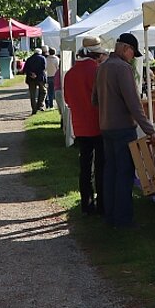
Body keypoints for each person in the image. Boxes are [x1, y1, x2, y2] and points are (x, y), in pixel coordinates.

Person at [92, 32, 155, 228]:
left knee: (110, 172)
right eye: (132, 53)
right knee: (124, 174)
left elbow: (94, 100)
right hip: (122, 128)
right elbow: (134, 104)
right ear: (125, 48)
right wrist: (150, 130)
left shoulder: (102, 67)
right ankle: (122, 219)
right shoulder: (123, 68)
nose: (132, 57)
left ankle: (110, 215)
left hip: (106, 127)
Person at [64, 37, 107, 214]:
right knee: (101, 166)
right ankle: (102, 203)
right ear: (97, 54)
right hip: (98, 123)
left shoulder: (70, 73)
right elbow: (103, 98)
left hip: (80, 125)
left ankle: (86, 204)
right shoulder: (96, 70)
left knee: (85, 166)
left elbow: (67, 100)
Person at [23, 47, 48, 115]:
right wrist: (37, 74)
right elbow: (44, 68)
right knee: (43, 91)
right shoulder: (42, 58)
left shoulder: (29, 59)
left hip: (31, 78)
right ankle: (40, 105)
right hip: (40, 78)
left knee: (32, 94)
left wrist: (31, 74)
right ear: (40, 53)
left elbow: (25, 69)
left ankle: (34, 109)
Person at [45, 43, 62, 110]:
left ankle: (51, 105)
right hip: (55, 76)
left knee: (50, 91)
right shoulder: (56, 59)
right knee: (57, 90)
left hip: (49, 76)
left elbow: (45, 68)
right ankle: (58, 104)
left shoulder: (46, 59)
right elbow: (58, 68)